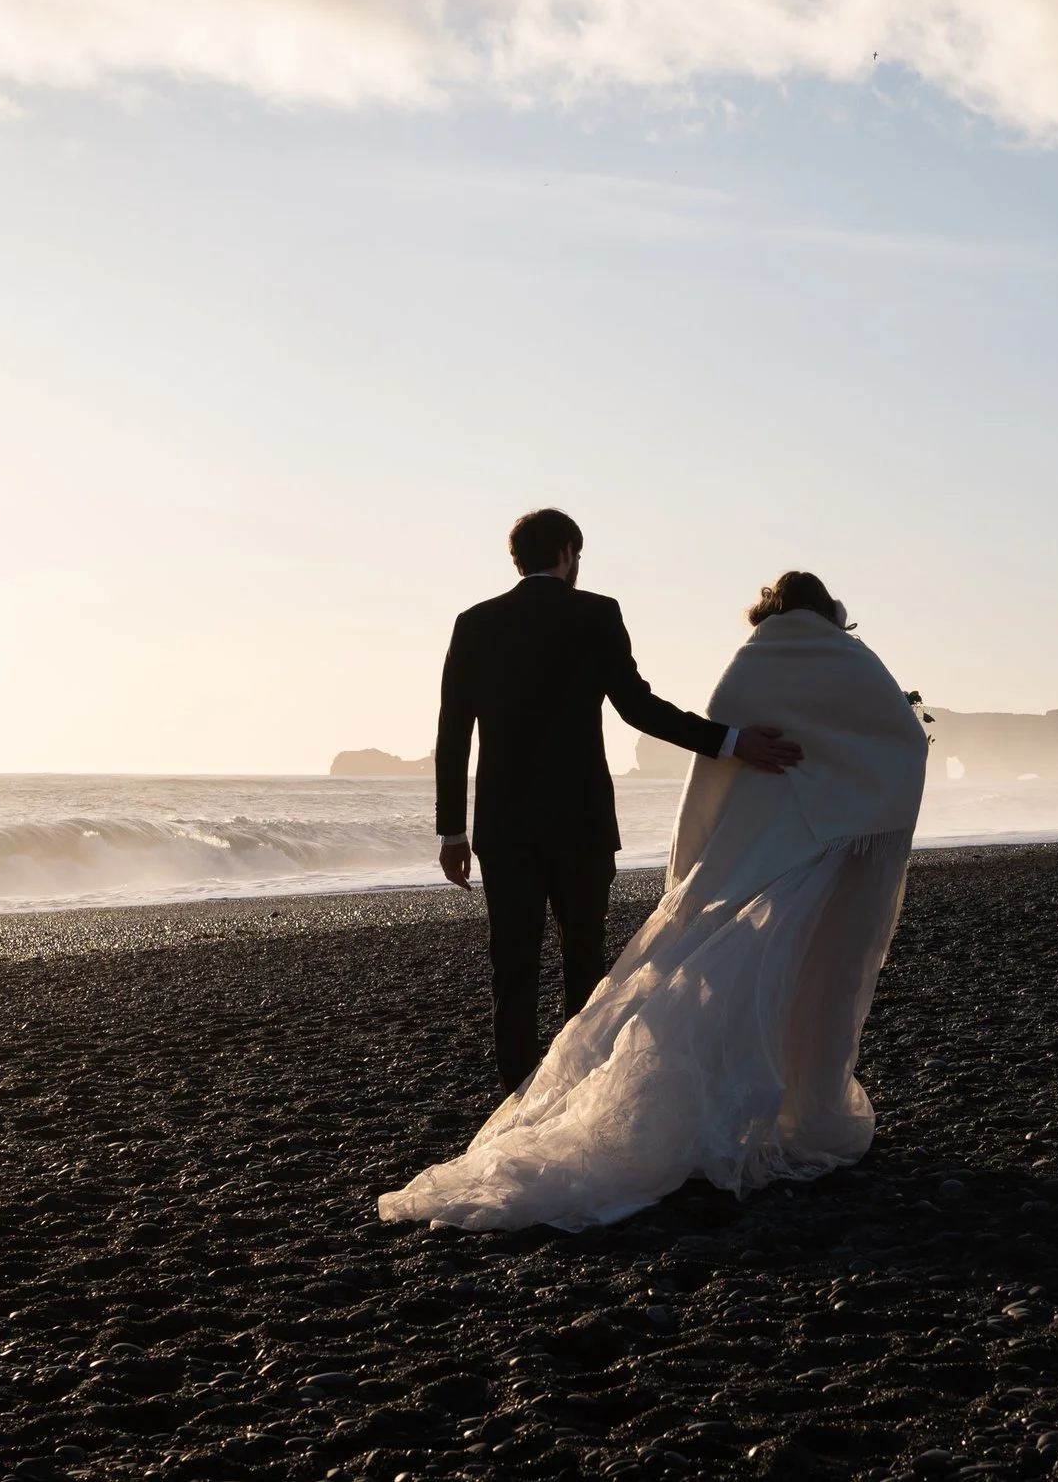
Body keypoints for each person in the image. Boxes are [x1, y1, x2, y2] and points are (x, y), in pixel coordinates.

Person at [381, 569, 929, 1231]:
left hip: (745, 859)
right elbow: (900, 735)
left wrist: (695, 861)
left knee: (704, 984)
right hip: (819, 857)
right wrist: (850, 805)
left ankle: (616, 1098)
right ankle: (799, 1111)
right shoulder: (851, 662)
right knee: (814, 983)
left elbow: (713, 769)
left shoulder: (752, 663)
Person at [432, 509, 803, 1091]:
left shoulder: (475, 622)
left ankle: (516, 1095)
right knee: (584, 959)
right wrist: (730, 742)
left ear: (517, 559)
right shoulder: (595, 613)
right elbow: (638, 707)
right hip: (582, 822)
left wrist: (452, 832)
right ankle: (577, 1090)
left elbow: (453, 733)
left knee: (513, 965)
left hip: (504, 828)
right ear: (568, 552)